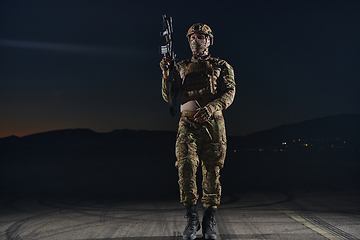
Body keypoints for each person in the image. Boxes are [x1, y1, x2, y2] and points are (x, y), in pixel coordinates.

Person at [160, 23, 235, 240]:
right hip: (188, 123)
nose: (195, 40)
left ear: (209, 40)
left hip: (213, 124)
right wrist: (166, 75)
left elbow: (230, 92)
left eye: (200, 36)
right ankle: (191, 220)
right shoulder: (181, 66)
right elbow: (169, 97)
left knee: (212, 171)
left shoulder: (221, 65)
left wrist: (211, 108)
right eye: (192, 37)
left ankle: (209, 222)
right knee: (185, 166)